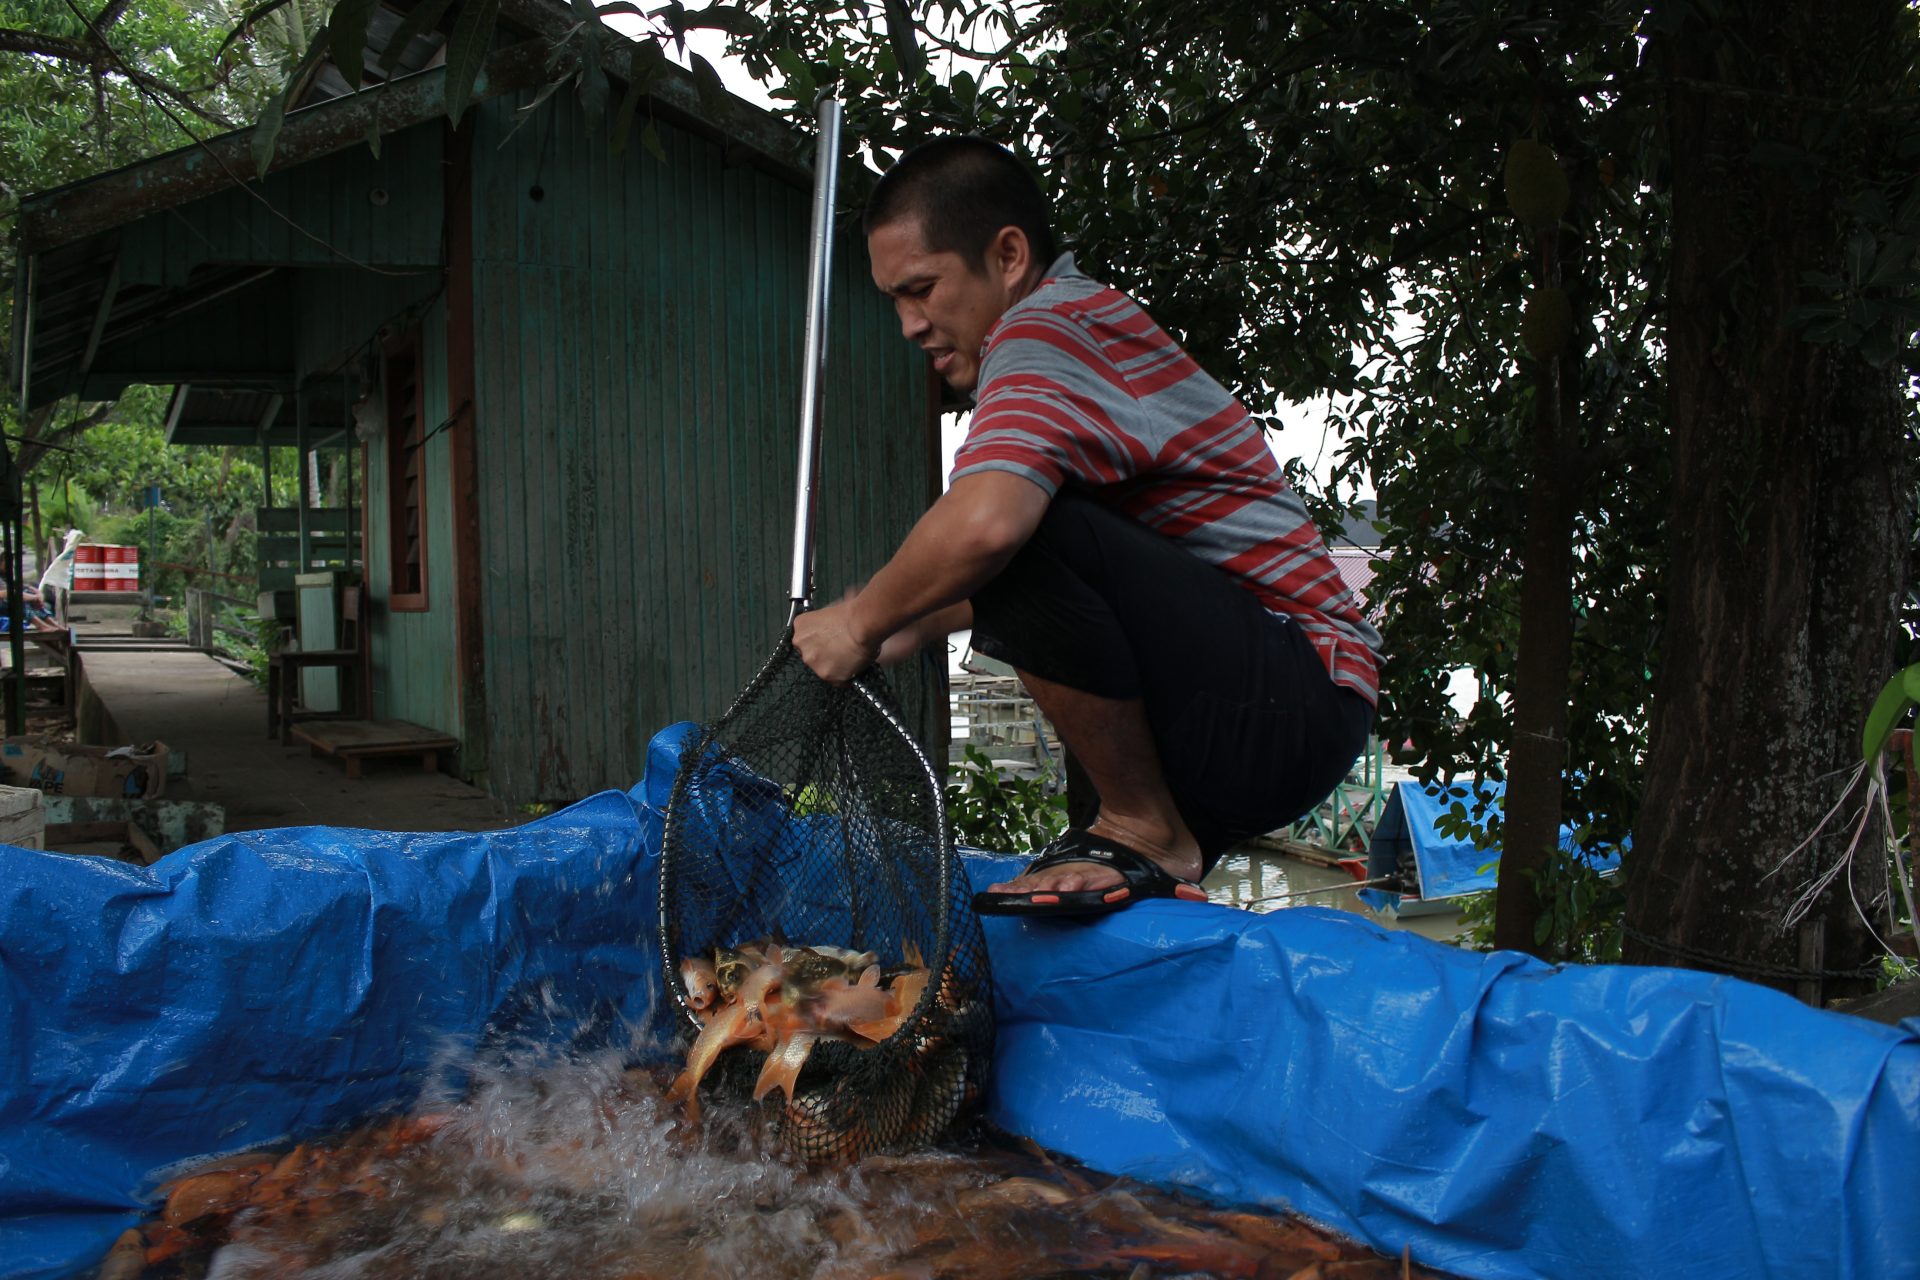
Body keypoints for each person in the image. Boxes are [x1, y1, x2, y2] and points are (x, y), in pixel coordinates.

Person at [793, 136, 1380, 917]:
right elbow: (1070, 579)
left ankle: (1143, 824)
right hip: (1235, 709)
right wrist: (913, 620)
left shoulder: (1046, 329)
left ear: (1007, 256)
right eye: (894, 299)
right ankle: (1144, 847)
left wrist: (861, 624)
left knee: (1015, 525)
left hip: (1295, 693)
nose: (909, 324)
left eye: (923, 289)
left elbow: (991, 530)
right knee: (1098, 901)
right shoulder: (1076, 337)